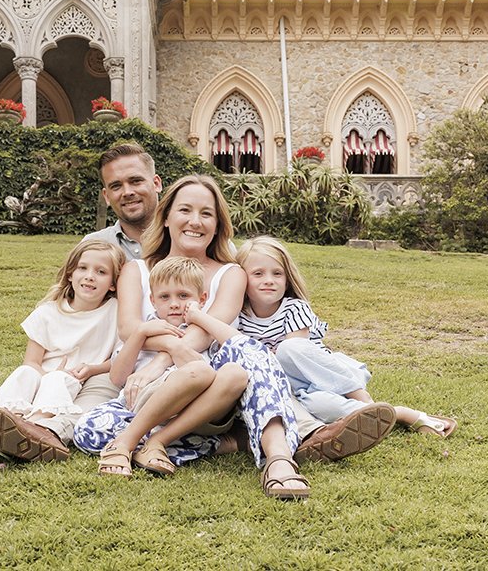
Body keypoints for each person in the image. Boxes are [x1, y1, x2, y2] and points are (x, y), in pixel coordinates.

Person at [75, 175, 391, 499]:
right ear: (166, 216)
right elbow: (129, 329)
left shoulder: (231, 272)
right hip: (146, 390)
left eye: (206, 213)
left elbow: (205, 332)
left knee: (245, 351)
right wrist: (164, 350)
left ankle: (278, 459)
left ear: (217, 224)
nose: (195, 221)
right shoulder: (136, 270)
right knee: (89, 433)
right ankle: (226, 441)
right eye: (185, 210)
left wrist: (161, 357)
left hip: (212, 386)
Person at [235, 235, 457, 437]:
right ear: (241, 281)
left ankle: (359, 395)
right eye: (258, 274)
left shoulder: (294, 308)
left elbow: (296, 353)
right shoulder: (239, 316)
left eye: (277, 273)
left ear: (287, 278)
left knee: (288, 348)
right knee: (325, 408)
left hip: (323, 375)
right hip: (297, 390)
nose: (269, 280)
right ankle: (397, 414)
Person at [77, 257, 249, 478]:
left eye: (184, 296)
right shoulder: (147, 331)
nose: (175, 304)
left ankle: (138, 443)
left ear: (202, 299)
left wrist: (191, 330)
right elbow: (117, 377)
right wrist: (140, 334)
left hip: (188, 412)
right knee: (87, 428)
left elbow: (223, 364)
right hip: (141, 404)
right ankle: (159, 444)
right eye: (165, 297)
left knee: (225, 372)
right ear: (153, 300)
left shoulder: (205, 333)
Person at [0, 240, 126, 462]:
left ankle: (32, 428)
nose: (89, 276)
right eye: (83, 268)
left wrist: (93, 369)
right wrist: (41, 376)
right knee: (24, 373)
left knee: (57, 378)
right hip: (43, 374)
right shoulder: (49, 312)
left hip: (74, 378)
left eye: (101, 272)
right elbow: (32, 361)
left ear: (113, 284)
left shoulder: (115, 311)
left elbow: (118, 357)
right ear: (70, 274)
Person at [83, 142, 161, 261]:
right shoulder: (91, 248)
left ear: (156, 184)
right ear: (107, 196)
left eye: (135, 181)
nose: (127, 192)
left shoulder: (188, 240)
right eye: (116, 186)